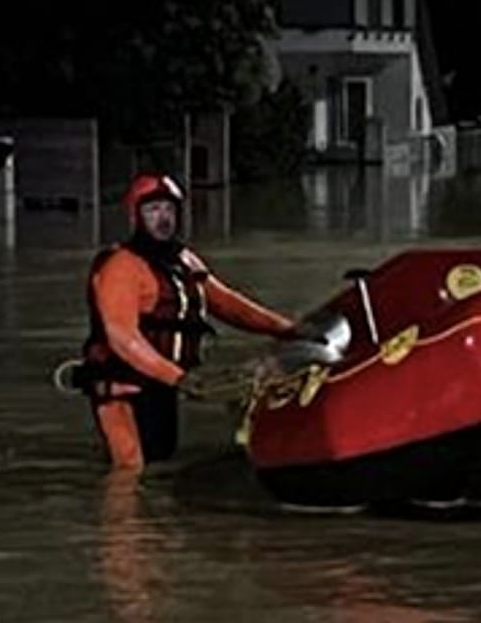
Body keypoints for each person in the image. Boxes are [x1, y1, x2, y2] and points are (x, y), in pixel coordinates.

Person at [77, 173, 310, 470]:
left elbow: (228, 304)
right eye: (153, 210)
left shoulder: (184, 261)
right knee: (130, 469)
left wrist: (288, 329)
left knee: (160, 459)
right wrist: (179, 378)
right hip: (122, 386)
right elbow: (123, 338)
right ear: (135, 215)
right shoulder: (120, 267)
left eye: (169, 210)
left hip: (163, 383)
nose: (163, 219)